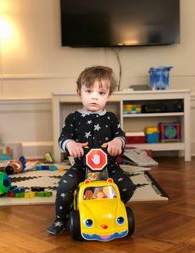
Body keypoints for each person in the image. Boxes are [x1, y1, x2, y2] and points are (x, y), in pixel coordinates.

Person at [46, 66, 136, 235]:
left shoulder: (110, 118)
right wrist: (70, 144)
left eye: (101, 93)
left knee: (128, 187)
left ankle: (111, 209)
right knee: (65, 187)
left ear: (108, 95)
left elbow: (121, 136)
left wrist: (117, 141)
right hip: (82, 167)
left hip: (109, 167)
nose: (94, 96)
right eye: (89, 91)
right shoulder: (73, 118)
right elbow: (62, 138)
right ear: (79, 92)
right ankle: (60, 219)